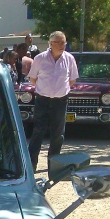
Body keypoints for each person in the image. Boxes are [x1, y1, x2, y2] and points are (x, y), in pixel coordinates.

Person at [26, 31, 79, 171]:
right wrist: (44, 88)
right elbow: (33, 78)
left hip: (60, 100)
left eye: (64, 42)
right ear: (51, 44)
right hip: (42, 99)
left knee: (58, 134)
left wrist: (59, 90)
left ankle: (53, 166)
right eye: (59, 42)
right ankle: (31, 165)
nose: (62, 45)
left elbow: (72, 80)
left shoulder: (69, 59)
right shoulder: (40, 58)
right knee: (38, 131)